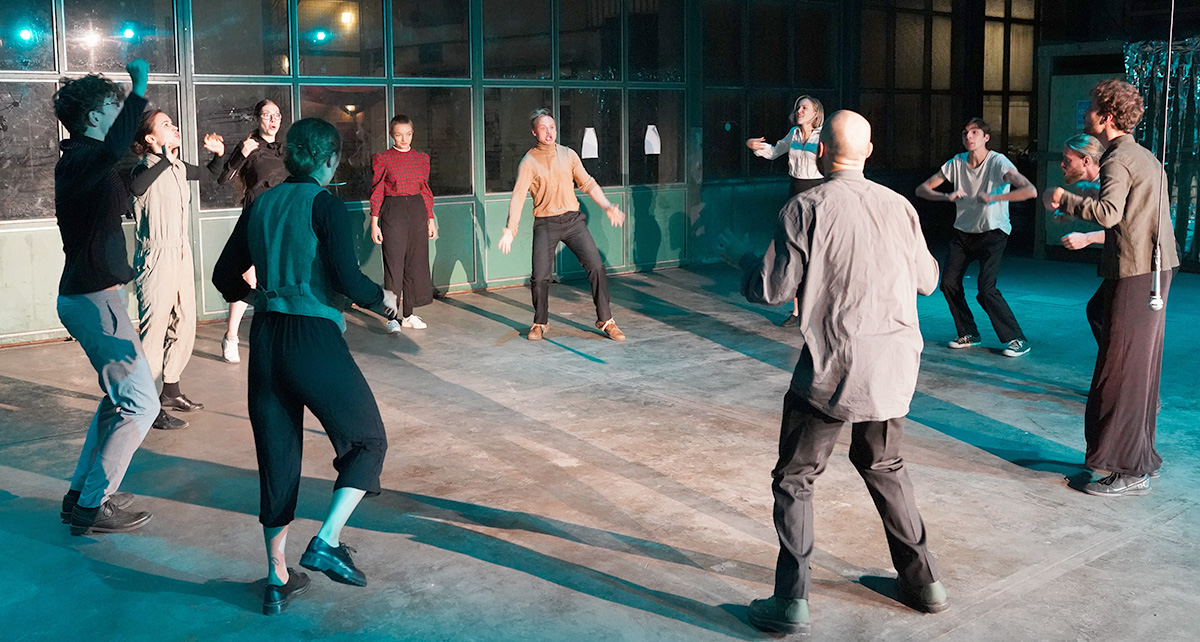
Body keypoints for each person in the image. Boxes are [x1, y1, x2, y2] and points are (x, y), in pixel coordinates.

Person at [719, 110, 947, 635]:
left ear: (821, 153)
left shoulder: (805, 207)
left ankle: (791, 601)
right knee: (885, 465)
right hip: (893, 367)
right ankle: (925, 583)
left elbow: (771, 289)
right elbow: (929, 281)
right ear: (869, 152)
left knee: (795, 478)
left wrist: (743, 260)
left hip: (832, 367)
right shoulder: (900, 206)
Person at [213, 118, 396, 615]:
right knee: (367, 441)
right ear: (330, 160)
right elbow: (348, 280)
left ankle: (277, 578)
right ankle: (327, 541)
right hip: (313, 337)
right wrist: (385, 301)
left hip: (266, 338)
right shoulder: (325, 204)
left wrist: (260, 297)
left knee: (277, 458)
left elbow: (224, 276)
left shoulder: (261, 203)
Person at [1043, 79, 1180, 496]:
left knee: (1120, 373)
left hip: (1137, 273)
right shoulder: (1142, 155)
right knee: (1136, 370)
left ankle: (1129, 469)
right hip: (1152, 270)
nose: (1085, 114)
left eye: (1091, 109)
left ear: (1105, 117)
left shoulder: (1118, 158)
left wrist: (1063, 198)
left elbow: (1107, 213)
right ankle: (1140, 459)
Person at [52, 58, 156, 536]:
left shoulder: (88, 163)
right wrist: (140, 86)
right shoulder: (82, 158)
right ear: (95, 116)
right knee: (142, 405)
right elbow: (116, 147)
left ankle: (81, 495)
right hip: (94, 300)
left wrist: (162, 157)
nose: (121, 116)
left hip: (93, 297)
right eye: (114, 107)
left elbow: (126, 178)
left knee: (118, 402)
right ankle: (95, 504)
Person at [128, 110, 226, 430]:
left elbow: (210, 175)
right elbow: (136, 187)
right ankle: (144, 404)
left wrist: (218, 155)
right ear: (150, 138)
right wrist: (165, 160)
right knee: (154, 331)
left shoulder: (178, 166)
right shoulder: (144, 167)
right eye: (166, 125)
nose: (174, 127)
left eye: (173, 123)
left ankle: (170, 391)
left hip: (181, 252)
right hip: (156, 255)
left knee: (184, 322)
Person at [499, 108, 627, 341]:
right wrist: (511, 228)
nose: (549, 132)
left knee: (597, 266)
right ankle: (540, 322)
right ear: (534, 133)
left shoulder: (568, 155)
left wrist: (608, 206)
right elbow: (517, 197)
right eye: (543, 128)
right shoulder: (528, 162)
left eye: (552, 128)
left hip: (573, 221)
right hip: (546, 223)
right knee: (539, 277)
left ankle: (606, 320)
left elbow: (588, 183)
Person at [916, 118, 1037, 357]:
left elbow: (1029, 190)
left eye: (974, 132)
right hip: (963, 233)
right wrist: (946, 197)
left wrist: (994, 198)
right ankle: (969, 333)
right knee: (949, 283)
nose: (969, 137)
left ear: (986, 138)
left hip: (993, 233)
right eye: (965, 133)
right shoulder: (956, 162)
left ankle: (1017, 339)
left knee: (986, 288)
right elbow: (922, 189)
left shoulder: (998, 162)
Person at [216, 99, 289, 363]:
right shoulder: (249, 146)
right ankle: (231, 336)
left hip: (282, 221)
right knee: (248, 278)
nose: (273, 119)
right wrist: (241, 154)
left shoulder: (285, 150)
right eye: (267, 115)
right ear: (257, 118)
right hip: (256, 218)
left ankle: (274, 336)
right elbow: (223, 178)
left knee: (278, 278)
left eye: (276, 115)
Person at [746, 95, 825, 327]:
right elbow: (774, 152)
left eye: (804, 108)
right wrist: (754, 146)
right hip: (795, 193)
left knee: (815, 252)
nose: (799, 111)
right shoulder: (794, 134)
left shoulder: (823, 136)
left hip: (816, 194)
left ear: (815, 113)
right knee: (793, 251)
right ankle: (797, 311)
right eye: (798, 107)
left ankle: (817, 309)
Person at [369, 114, 438, 334]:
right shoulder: (383, 158)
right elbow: (378, 190)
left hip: (417, 210)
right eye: (399, 135)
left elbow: (425, 190)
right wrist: (374, 222)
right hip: (394, 211)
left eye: (408, 134)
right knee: (394, 267)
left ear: (412, 133)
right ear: (391, 135)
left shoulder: (421, 158)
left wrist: (430, 219)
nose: (404, 139)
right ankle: (392, 318)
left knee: (414, 265)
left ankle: (408, 315)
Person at [1055, 134, 1105, 252]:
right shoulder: (1093, 185)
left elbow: (1125, 229)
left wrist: (1087, 238)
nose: (1062, 164)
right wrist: (1074, 214)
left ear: (1086, 161)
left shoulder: (1110, 184)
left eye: (1068, 160)